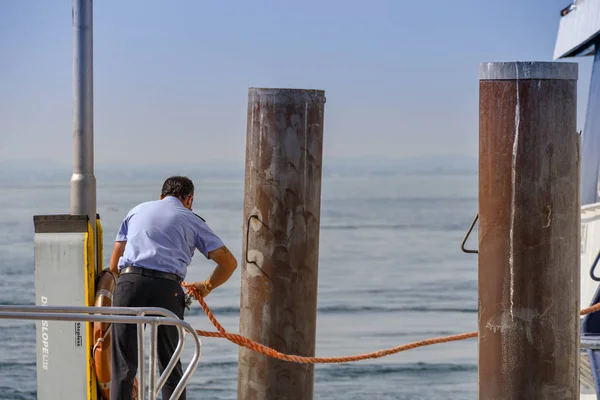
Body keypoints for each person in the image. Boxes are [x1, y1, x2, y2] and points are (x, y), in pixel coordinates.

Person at [108, 175, 238, 400]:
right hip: (167, 289)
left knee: (123, 365)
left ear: (160, 197)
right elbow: (229, 263)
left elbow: (114, 263)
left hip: (129, 285)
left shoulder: (136, 211)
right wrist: (206, 286)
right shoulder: (192, 219)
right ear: (189, 200)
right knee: (169, 362)